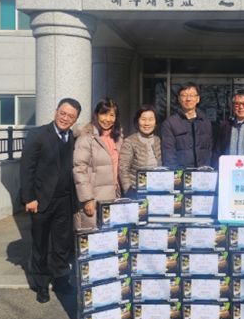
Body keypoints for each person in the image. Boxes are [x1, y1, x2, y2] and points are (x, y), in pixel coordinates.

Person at [20, 97, 81, 304]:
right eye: (63, 113)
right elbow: (26, 168)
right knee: (41, 245)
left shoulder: (71, 137)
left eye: (70, 116)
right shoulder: (38, 134)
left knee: (62, 245)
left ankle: (61, 281)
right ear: (56, 111)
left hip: (64, 201)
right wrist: (29, 198)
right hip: (41, 201)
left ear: (75, 120)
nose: (65, 118)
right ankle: (41, 285)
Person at [73, 98, 123, 231]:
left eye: (112, 115)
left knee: (110, 238)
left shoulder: (118, 138)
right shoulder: (86, 138)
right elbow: (79, 169)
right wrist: (87, 199)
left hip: (113, 197)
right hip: (94, 199)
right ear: (96, 115)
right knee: (92, 238)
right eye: (104, 114)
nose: (107, 119)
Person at [161, 82, 213, 168]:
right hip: (181, 172)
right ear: (179, 99)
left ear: (198, 99)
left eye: (192, 95)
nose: (188, 99)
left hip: (203, 171)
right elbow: (168, 153)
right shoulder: (170, 123)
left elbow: (210, 149)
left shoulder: (205, 122)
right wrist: (176, 173)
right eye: (184, 95)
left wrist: (207, 168)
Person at [119, 105, 162, 198]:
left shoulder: (158, 140)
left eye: (151, 119)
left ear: (155, 122)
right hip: (136, 193)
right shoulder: (129, 141)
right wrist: (129, 190)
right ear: (137, 121)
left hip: (156, 192)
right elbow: (123, 169)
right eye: (143, 119)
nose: (147, 123)